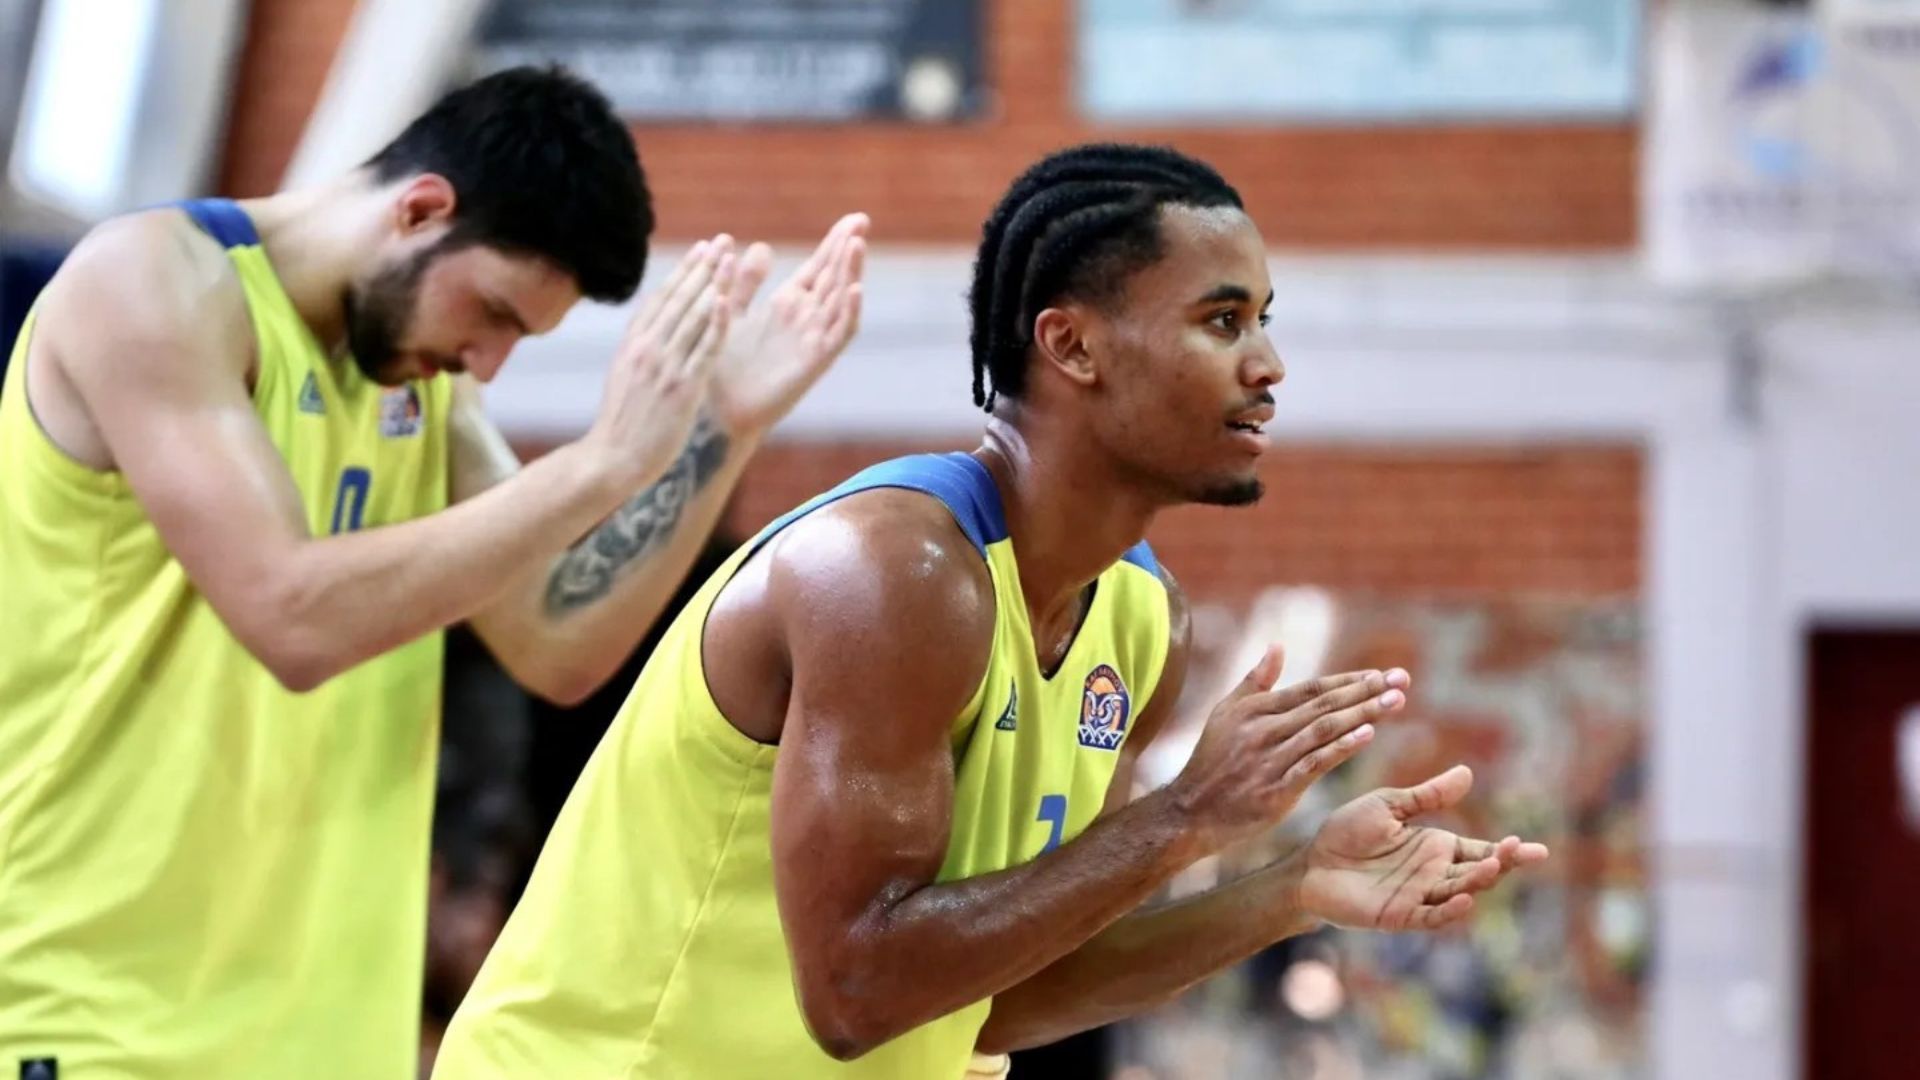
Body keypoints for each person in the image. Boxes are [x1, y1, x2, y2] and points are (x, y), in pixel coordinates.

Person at [432, 142, 1549, 1080]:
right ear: (1072, 346)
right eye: (1222, 321)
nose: (1269, 366)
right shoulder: (893, 575)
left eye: (1261, 320)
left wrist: (1289, 891)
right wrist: (1185, 816)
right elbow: (855, 992)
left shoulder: (1141, 623)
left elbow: (999, 996)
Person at [0, 66, 866, 1078]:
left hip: (329, 1039)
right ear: (420, 210)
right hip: (98, 1019)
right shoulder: (150, 285)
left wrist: (719, 429)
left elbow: (558, 642)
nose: (487, 361)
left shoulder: (421, 387)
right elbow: (290, 616)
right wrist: (599, 465)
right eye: (493, 312)